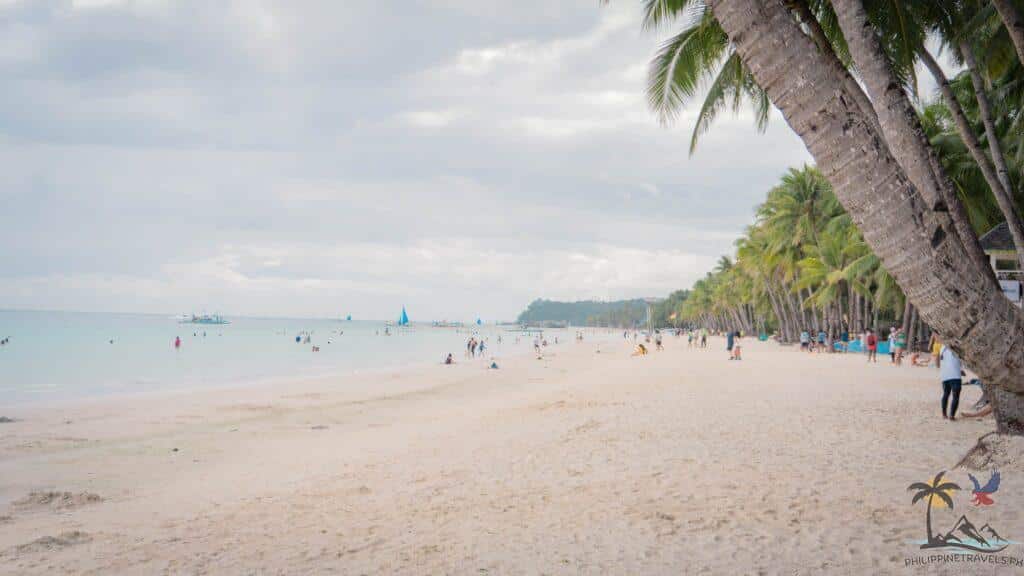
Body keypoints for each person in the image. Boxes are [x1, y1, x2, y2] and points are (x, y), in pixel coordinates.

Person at [939, 344, 964, 420]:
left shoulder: (942, 348)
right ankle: (952, 415)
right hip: (955, 375)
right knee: (956, 396)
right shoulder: (955, 346)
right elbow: (960, 358)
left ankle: (944, 414)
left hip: (945, 375)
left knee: (946, 394)